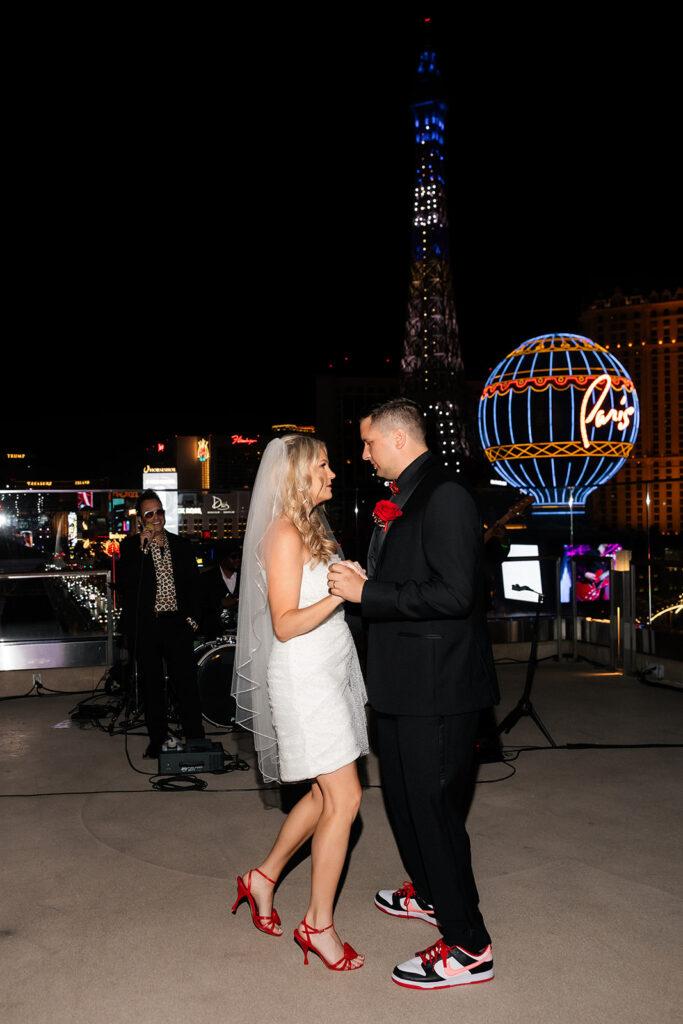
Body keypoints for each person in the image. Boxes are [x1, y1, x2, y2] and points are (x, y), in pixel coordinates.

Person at [328, 398, 499, 990]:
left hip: (439, 687)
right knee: (400, 800)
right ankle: (428, 892)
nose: (365, 452)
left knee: (433, 810)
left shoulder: (445, 496)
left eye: (370, 443)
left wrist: (367, 592)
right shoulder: (403, 495)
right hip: (402, 684)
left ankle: (469, 945)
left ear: (399, 440)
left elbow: (455, 595)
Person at [231, 434, 368, 972]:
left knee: (320, 794)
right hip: (304, 680)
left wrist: (348, 582)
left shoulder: (310, 526)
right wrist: (340, 593)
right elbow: (285, 625)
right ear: (297, 476)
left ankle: (261, 879)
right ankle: (318, 925)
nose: (332, 473)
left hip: (328, 672)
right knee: (346, 798)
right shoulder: (284, 533)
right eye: (323, 465)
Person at [117, 490, 205, 758]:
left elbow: (194, 586)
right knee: (152, 686)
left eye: (160, 512)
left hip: (176, 624)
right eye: (149, 514)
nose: (156, 518)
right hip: (147, 626)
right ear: (140, 520)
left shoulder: (181, 545)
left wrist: (192, 620)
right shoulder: (131, 548)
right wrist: (143, 550)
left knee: (186, 683)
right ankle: (157, 739)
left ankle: (195, 737)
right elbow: (126, 585)